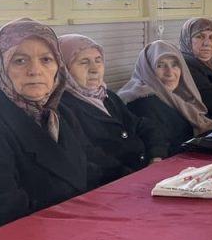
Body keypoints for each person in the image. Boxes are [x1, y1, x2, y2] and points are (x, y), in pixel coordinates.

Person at [0, 18, 88, 230]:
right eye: (20, 60)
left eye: (46, 59)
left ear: (58, 67)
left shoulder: (59, 114)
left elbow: (88, 169)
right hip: (25, 239)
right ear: (0, 66)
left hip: (73, 226)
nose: (35, 70)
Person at [58, 34, 168, 188]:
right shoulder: (62, 107)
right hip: (113, 186)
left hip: (142, 174)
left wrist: (156, 155)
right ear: (63, 68)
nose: (94, 69)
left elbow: (140, 125)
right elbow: (89, 158)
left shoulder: (106, 96)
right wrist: (134, 177)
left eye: (98, 60)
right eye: (84, 62)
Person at [118, 41, 212, 155]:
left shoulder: (179, 95)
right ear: (147, 69)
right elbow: (161, 148)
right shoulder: (142, 102)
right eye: (160, 65)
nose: (170, 73)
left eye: (174, 65)